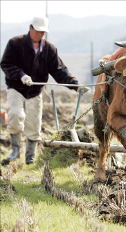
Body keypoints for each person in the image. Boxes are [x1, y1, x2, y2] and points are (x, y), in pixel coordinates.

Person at [0, 16, 81, 166]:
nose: (40, 35)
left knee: (34, 123)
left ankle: (30, 156)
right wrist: (21, 75)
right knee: (16, 115)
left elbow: (59, 71)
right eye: (37, 31)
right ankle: (15, 150)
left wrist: (75, 85)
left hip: (35, 91)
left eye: (43, 32)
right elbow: (6, 64)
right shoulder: (15, 44)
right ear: (30, 28)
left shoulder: (49, 50)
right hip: (16, 88)